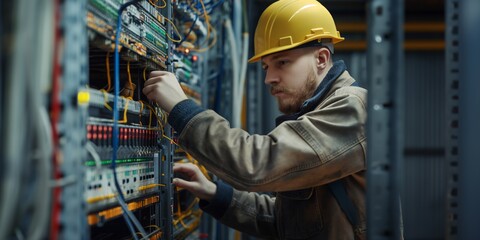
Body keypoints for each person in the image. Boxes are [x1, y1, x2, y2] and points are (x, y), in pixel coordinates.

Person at [143, 0, 367, 239]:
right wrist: (215, 194)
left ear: (321, 59)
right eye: (265, 67)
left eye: (282, 62)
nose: (269, 78)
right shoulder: (314, 114)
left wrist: (181, 109)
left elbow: (257, 163)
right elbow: (288, 222)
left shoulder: (352, 108)